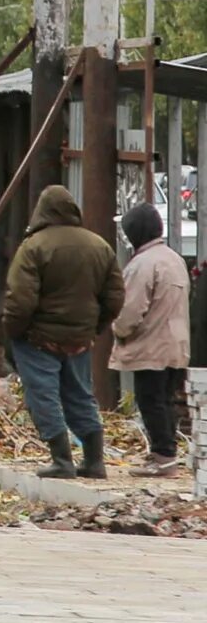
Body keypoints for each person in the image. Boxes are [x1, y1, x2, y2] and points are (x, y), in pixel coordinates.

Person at [0, 183, 126, 480]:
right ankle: (94, 461)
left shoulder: (33, 247)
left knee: (43, 395)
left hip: (38, 339)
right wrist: (94, 328)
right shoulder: (100, 246)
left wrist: (12, 333)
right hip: (80, 340)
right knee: (81, 395)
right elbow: (115, 297)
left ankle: (62, 460)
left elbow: (20, 300)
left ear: (41, 211)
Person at [110, 201, 194, 478]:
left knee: (150, 400)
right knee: (165, 400)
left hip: (152, 346)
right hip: (176, 345)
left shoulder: (141, 265)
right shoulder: (174, 259)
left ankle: (163, 457)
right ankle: (167, 454)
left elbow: (130, 310)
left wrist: (118, 330)